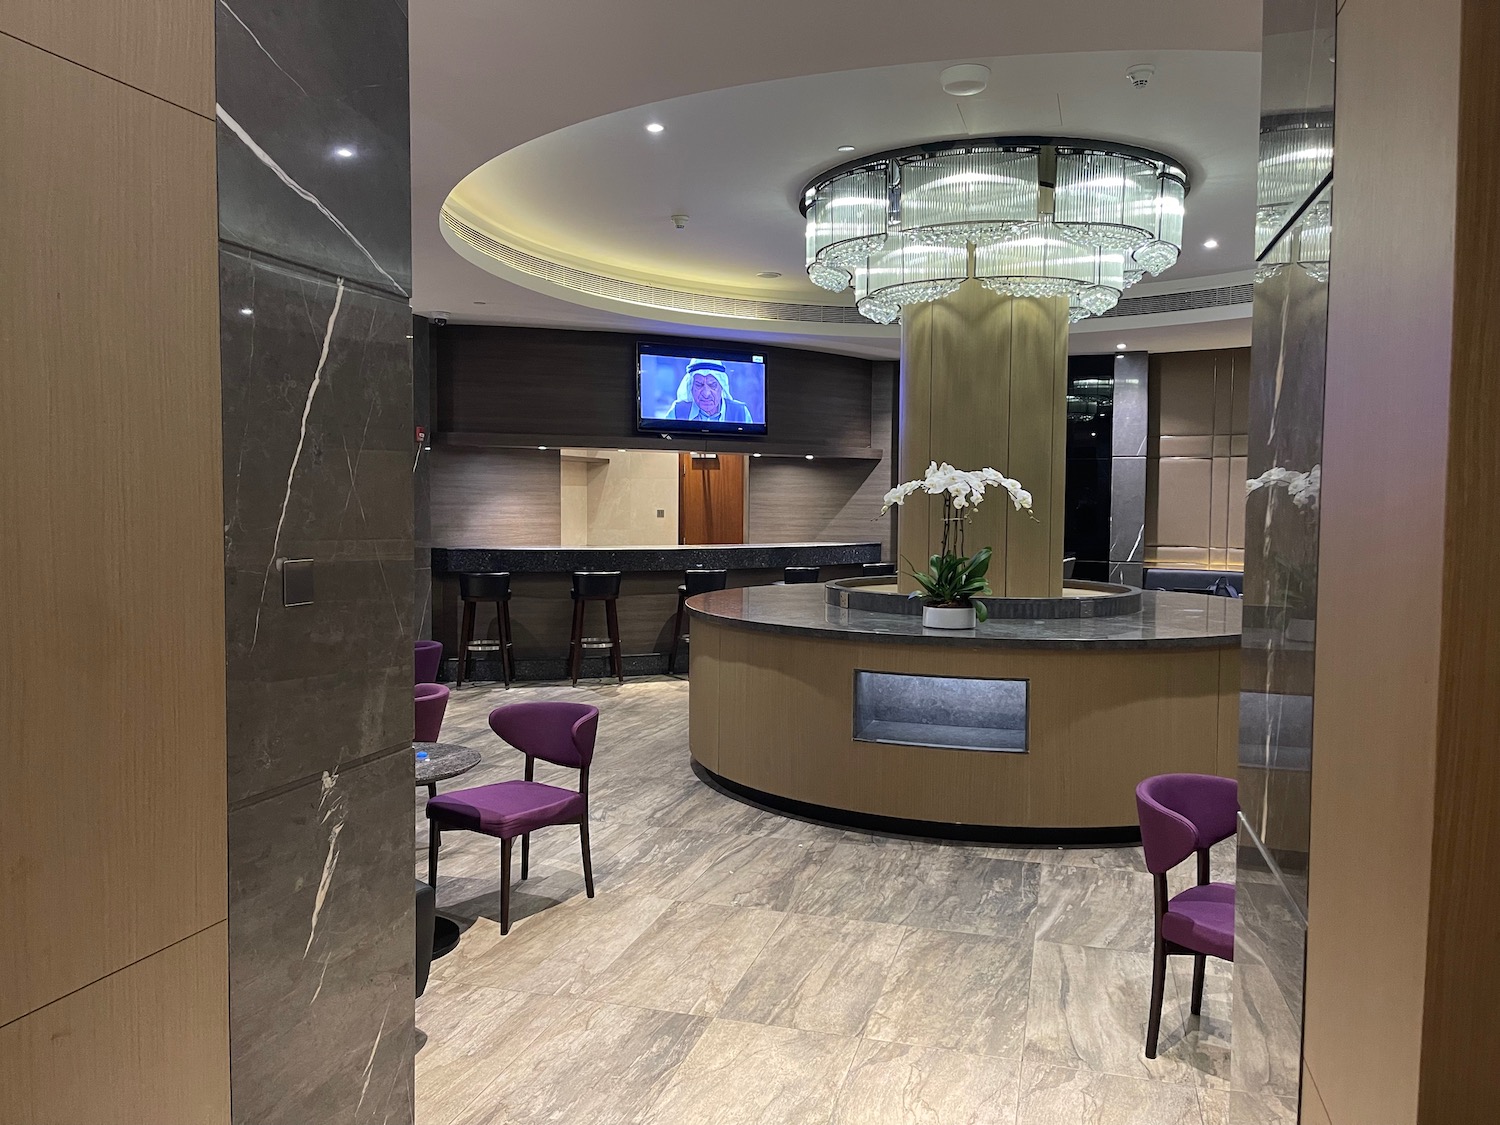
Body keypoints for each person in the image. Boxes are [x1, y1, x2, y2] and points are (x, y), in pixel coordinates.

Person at [668, 358, 754, 423]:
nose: (706, 394)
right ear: (691, 387)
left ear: (722, 387)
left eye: (713, 385)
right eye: (699, 385)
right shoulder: (677, 411)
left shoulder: (740, 412)